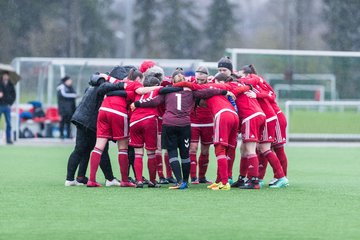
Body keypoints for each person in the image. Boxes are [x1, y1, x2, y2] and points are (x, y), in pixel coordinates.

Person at [65, 73, 127, 187]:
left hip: (81, 119)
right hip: (91, 122)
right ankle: (109, 178)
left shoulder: (90, 87)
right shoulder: (103, 87)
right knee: (101, 150)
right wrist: (125, 85)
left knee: (82, 149)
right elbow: (110, 89)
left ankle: (76, 178)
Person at [189, 66, 213, 184]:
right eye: (198, 78)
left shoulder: (213, 84)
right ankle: (193, 177)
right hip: (193, 121)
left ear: (207, 77)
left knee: (205, 150)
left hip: (208, 122)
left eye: (202, 79)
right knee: (193, 148)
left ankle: (202, 177)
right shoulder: (190, 83)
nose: (199, 81)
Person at [0, 72, 16, 144]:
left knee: (8, 123)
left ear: (8, 77)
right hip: (0, 105)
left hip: (7, 106)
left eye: (7, 76)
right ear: (2, 76)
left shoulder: (11, 85)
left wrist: (10, 103)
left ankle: (8, 139)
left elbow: (14, 95)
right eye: (4, 75)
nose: (5, 77)